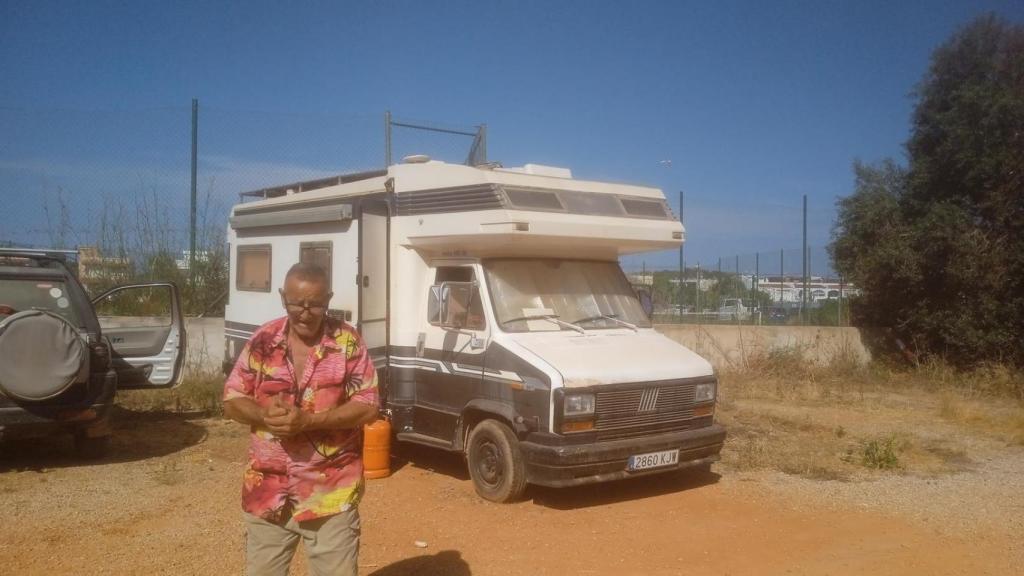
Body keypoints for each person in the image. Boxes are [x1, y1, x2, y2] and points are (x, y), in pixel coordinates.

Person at [223, 262, 379, 576]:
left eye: (315, 304)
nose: (305, 313)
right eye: (296, 304)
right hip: (268, 491)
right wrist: (264, 415)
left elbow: (368, 405)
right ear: (283, 297)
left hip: (330, 494)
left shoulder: (348, 342)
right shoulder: (263, 340)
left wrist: (310, 421)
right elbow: (232, 398)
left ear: (329, 299)